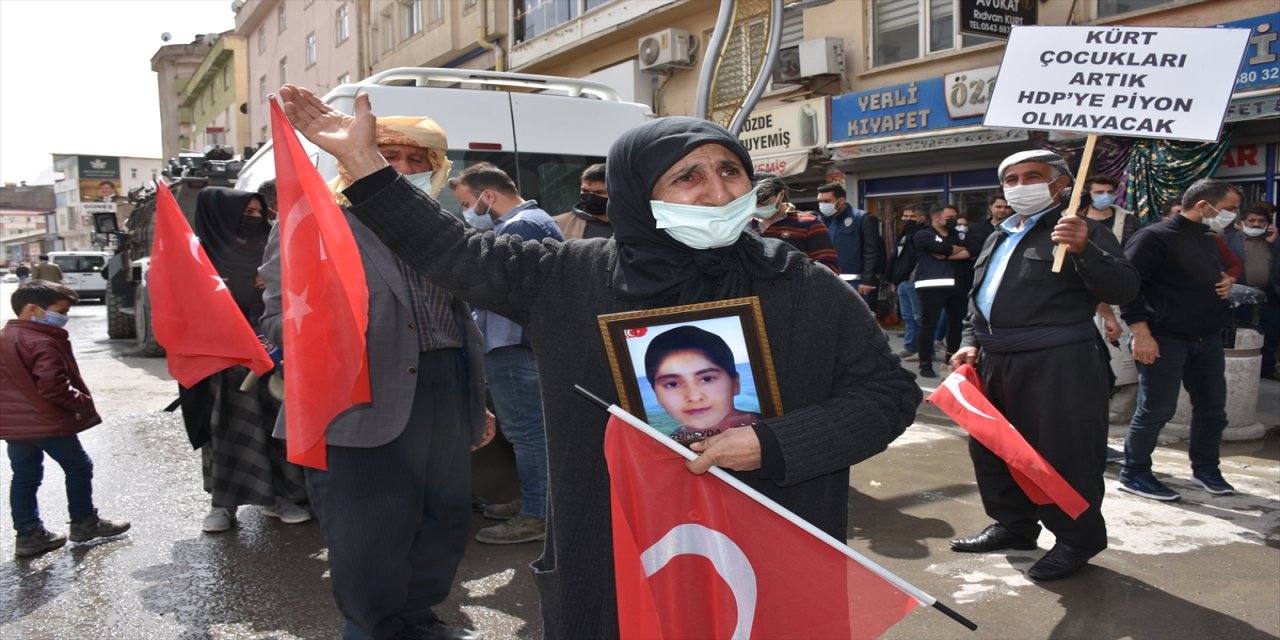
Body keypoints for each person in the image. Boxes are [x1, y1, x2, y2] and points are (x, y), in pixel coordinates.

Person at [278, 84, 919, 638]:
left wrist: (773, 443)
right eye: (687, 177)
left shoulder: (799, 283)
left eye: (731, 171)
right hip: (613, 548)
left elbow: (886, 395)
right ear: (636, 193)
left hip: (768, 543)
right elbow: (454, 252)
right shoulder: (566, 277)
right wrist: (365, 164)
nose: (717, 192)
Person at [260, 115, 491, 640]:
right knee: (370, 536)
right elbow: (278, 320)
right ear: (353, 161)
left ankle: (419, 619)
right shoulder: (312, 224)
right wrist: (336, 321)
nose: (404, 170)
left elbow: (459, 322)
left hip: (444, 394)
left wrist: (474, 401)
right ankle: (372, 628)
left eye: (417, 162)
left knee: (442, 524)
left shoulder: (439, 226)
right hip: (358, 400)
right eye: (390, 158)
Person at [948, 149, 1138, 581]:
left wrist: (1085, 249)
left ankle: (1077, 540)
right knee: (995, 449)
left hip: (1059, 364)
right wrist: (970, 341)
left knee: (1062, 455)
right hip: (995, 361)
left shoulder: (1078, 229)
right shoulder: (1000, 233)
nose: (1019, 186)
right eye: (1010, 179)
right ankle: (1014, 526)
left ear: (1061, 184)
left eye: (1031, 176)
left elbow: (1124, 287)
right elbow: (979, 300)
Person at [178, 187, 309, 534]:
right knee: (226, 432)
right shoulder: (196, 258)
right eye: (245, 213)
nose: (254, 220)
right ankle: (223, 505)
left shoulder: (273, 250)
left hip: (272, 360)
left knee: (276, 429)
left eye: (257, 213)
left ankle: (282, 498)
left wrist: (271, 283)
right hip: (222, 365)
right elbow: (179, 312)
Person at [450, 162, 562, 545]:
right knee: (529, 434)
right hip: (518, 343)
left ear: (488, 196)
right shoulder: (532, 220)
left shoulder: (520, 226)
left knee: (528, 434)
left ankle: (537, 515)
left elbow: (497, 289)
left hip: (513, 345)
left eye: (468, 203)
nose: (468, 212)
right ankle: (535, 501)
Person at [1118, 179, 1242, 501]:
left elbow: (1207, 276)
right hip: (1165, 338)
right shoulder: (1152, 238)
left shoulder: (1208, 238)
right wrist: (1141, 334)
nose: (1232, 216)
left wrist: (1227, 281)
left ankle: (1206, 469)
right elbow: (1127, 288)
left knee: (1213, 409)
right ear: (1204, 206)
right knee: (1157, 409)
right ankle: (1134, 472)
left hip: (1207, 338)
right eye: (1229, 209)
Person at [1, 280, 130, 557]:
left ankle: (28, 534)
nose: (64, 317)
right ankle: (84, 521)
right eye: (60, 310)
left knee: (24, 475)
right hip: (47, 421)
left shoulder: (4, 337)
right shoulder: (43, 341)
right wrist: (83, 404)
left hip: (14, 425)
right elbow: (53, 386)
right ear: (33, 309)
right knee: (79, 467)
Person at [643, 325, 762, 443]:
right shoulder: (668, 444)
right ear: (656, 395)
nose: (694, 397)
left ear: (735, 383)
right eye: (672, 384)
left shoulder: (768, 427)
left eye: (707, 379)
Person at [912, 203, 970, 378]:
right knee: (928, 326)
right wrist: (955, 251)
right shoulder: (923, 234)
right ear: (936, 217)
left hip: (958, 286)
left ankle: (950, 363)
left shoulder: (958, 235)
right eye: (950, 217)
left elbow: (973, 249)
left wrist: (947, 253)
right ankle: (925, 363)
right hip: (931, 287)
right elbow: (938, 248)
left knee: (956, 326)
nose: (954, 220)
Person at [1226, 204, 1280, 380]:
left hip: (1269, 296)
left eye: (1261, 221)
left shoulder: (1274, 242)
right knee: (1240, 332)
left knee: (1270, 333)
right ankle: (1239, 370)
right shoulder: (1229, 240)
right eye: (1252, 220)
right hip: (1239, 297)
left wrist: (1273, 245)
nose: (1256, 224)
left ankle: (1267, 368)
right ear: (1242, 222)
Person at [749, 172, 839, 273]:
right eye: (752, 202)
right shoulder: (745, 226)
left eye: (764, 201)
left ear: (781, 195)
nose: (757, 206)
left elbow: (830, 269)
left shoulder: (810, 224)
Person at [817, 182, 882, 308]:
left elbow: (871, 251)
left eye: (827, 201)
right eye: (820, 201)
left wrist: (867, 280)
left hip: (856, 283)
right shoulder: (822, 221)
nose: (822, 205)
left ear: (841, 200)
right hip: (827, 281)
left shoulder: (863, 218)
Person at [888, 204, 927, 361]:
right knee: (908, 317)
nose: (908, 220)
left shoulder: (923, 234)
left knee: (919, 317)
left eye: (913, 217)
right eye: (906, 216)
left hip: (915, 281)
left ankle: (925, 350)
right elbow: (898, 259)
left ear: (922, 218)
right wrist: (893, 279)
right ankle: (910, 347)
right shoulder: (904, 235)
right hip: (903, 282)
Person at [552, 163, 612, 240]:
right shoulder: (557, 224)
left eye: (599, 192)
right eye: (585, 191)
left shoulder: (629, 225)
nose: (590, 197)